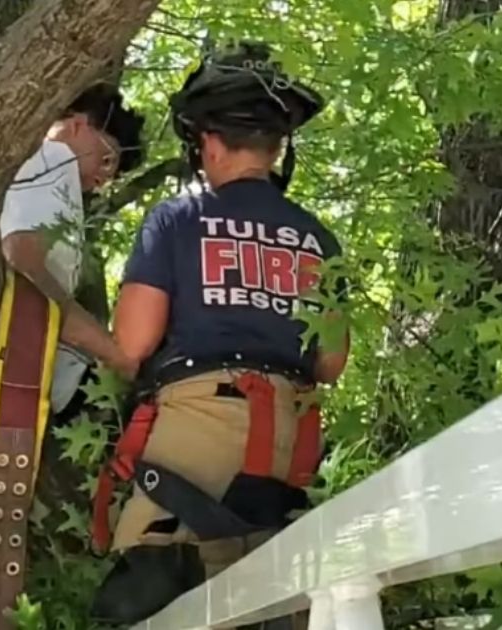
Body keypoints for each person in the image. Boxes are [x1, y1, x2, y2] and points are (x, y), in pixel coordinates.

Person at [89, 41, 349, 625]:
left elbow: (131, 346)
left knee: (156, 596)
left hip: (195, 436)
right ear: (277, 146)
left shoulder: (179, 218)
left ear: (206, 141)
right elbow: (331, 362)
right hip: (286, 444)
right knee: (265, 603)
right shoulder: (317, 239)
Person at [0, 83, 145, 416]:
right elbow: (24, 263)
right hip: (24, 377)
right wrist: (113, 353)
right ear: (77, 125)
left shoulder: (37, 169)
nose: (105, 178)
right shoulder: (56, 160)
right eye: (107, 160)